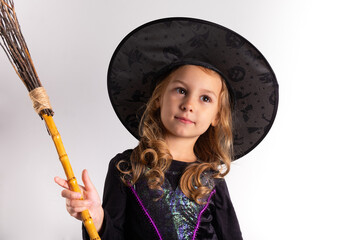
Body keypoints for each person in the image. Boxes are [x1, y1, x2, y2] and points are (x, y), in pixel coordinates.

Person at [55, 17, 278, 240]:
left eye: (205, 98)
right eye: (181, 90)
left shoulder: (211, 181)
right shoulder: (126, 169)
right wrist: (98, 219)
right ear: (159, 98)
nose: (189, 105)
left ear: (217, 116)